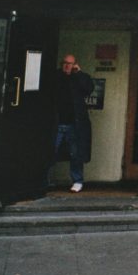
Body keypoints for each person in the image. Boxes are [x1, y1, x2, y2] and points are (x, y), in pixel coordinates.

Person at [51, 54, 94, 193]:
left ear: (75, 64)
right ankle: (45, 182)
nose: (67, 65)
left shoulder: (80, 78)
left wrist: (79, 73)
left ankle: (77, 181)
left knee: (76, 153)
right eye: (64, 63)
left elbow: (88, 89)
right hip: (56, 122)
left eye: (70, 63)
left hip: (74, 124)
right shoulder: (56, 77)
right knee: (50, 151)